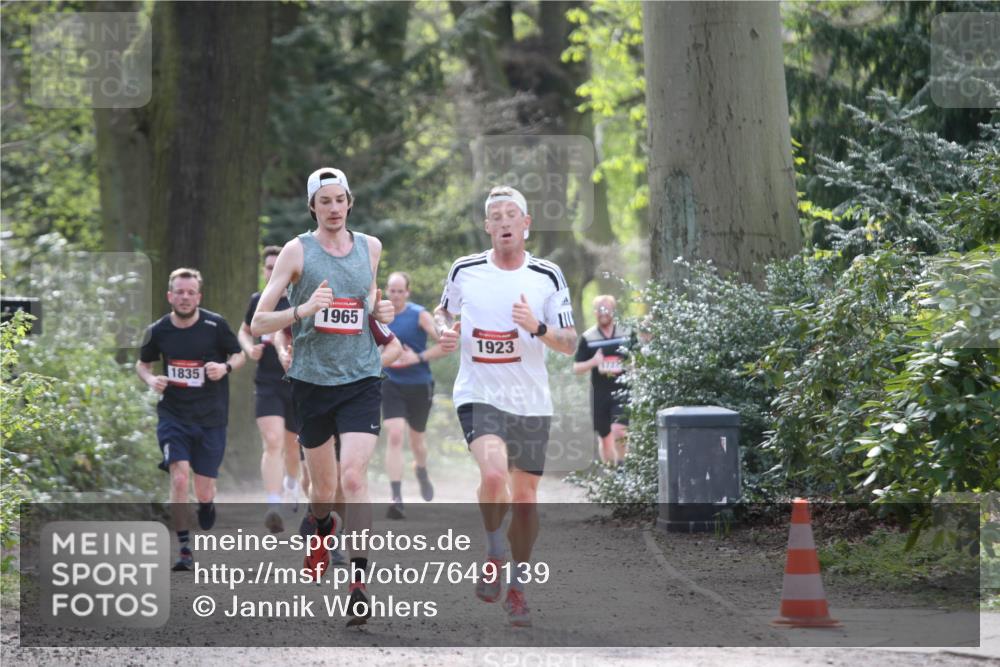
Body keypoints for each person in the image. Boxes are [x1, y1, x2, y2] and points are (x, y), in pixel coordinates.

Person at [251, 167, 394, 626]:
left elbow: (366, 299)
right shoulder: (298, 251)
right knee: (325, 493)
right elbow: (258, 322)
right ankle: (320, 526)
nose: (334, 209)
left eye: (340, 200)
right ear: (312, 206)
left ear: (350, 202)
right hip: (312, 381)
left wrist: (380, 308)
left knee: (354, 479)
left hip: (361, 378)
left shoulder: (370, 247)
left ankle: (358, 584)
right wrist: (305, 309)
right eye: (324, 201)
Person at [435, 185, 577, 627]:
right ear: (487, 227)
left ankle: (517, 586)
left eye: (511, 215)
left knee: (527, 500)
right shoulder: (465, 270)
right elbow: (442, 311)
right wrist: (445, 330)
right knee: (493, 474)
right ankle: (494, 551)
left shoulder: (548, 276)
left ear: (526, 224)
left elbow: (570, 344)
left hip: (530, 401)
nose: (503, 223)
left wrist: (535, 326)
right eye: (495, 216)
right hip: (479, 393)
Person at [136, 267, 245, 571]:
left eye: (190, 292)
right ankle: (184, 549)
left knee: (204, 486)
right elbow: (142, 364)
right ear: (170, 295)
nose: (185, 298)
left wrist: (225, 368)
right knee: (180, 477)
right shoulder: (158, 330)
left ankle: (207, 503)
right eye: (179, 292)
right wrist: (150, 380)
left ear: (199, 296)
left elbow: (239, 355)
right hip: (174, 415)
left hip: (211, 417)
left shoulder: (215, 325)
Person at [238, 246, 302, 533]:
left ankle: (291, 482)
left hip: (298, 382)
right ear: (264, 271)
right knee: (273, 441)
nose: (272, 270)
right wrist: (248, 347)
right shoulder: (258, 301)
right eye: (268, 266)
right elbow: (244, 330)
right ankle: (273, 504)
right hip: (267, 382)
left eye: (277, 265)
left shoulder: (301, 299)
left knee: (292, 446)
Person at [381, 271, 451, 519]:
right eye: (392, 290)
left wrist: (417, 357)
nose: (396, 295)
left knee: (417, 442)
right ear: (387, 291)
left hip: (419, 383)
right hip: (390, 382)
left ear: (407, 292)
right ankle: (396, 497)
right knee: (395, 435)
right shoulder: (379, 315)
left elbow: (446, 345)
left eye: (401, 291)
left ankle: (421, 470)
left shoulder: (419, 314)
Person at [573, 295, 632, 465]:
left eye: (606, 309)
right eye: (599, 310)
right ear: (594, 313)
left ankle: (622, 469)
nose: (603, 313)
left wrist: (632, 364)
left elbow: (639, 357)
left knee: (619, 431)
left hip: (622, 391)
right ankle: (611, 474)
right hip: (600, 393)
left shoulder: (626, 332)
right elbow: (576, 368)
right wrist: (593, 362)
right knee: (605, 438)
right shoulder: (588, 337)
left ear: (613, 311)